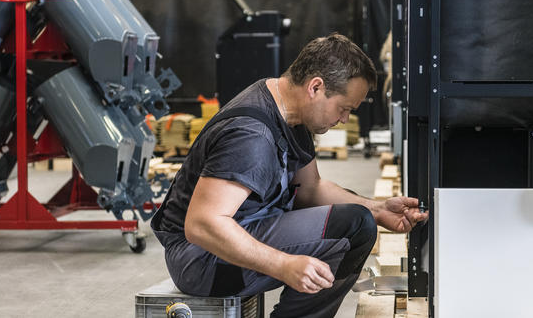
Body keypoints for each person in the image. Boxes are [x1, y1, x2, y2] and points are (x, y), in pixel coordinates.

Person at [151, 33, 428, 317]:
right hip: (202, 260)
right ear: (316, 87)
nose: (344, 119)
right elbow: (202, 225)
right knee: (353, 229)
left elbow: (310, 189)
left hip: (237, 234)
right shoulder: (252, 135)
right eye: (344, 108)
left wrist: (377, 208)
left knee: (359, 221)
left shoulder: (289, 113)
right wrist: (283, 264)